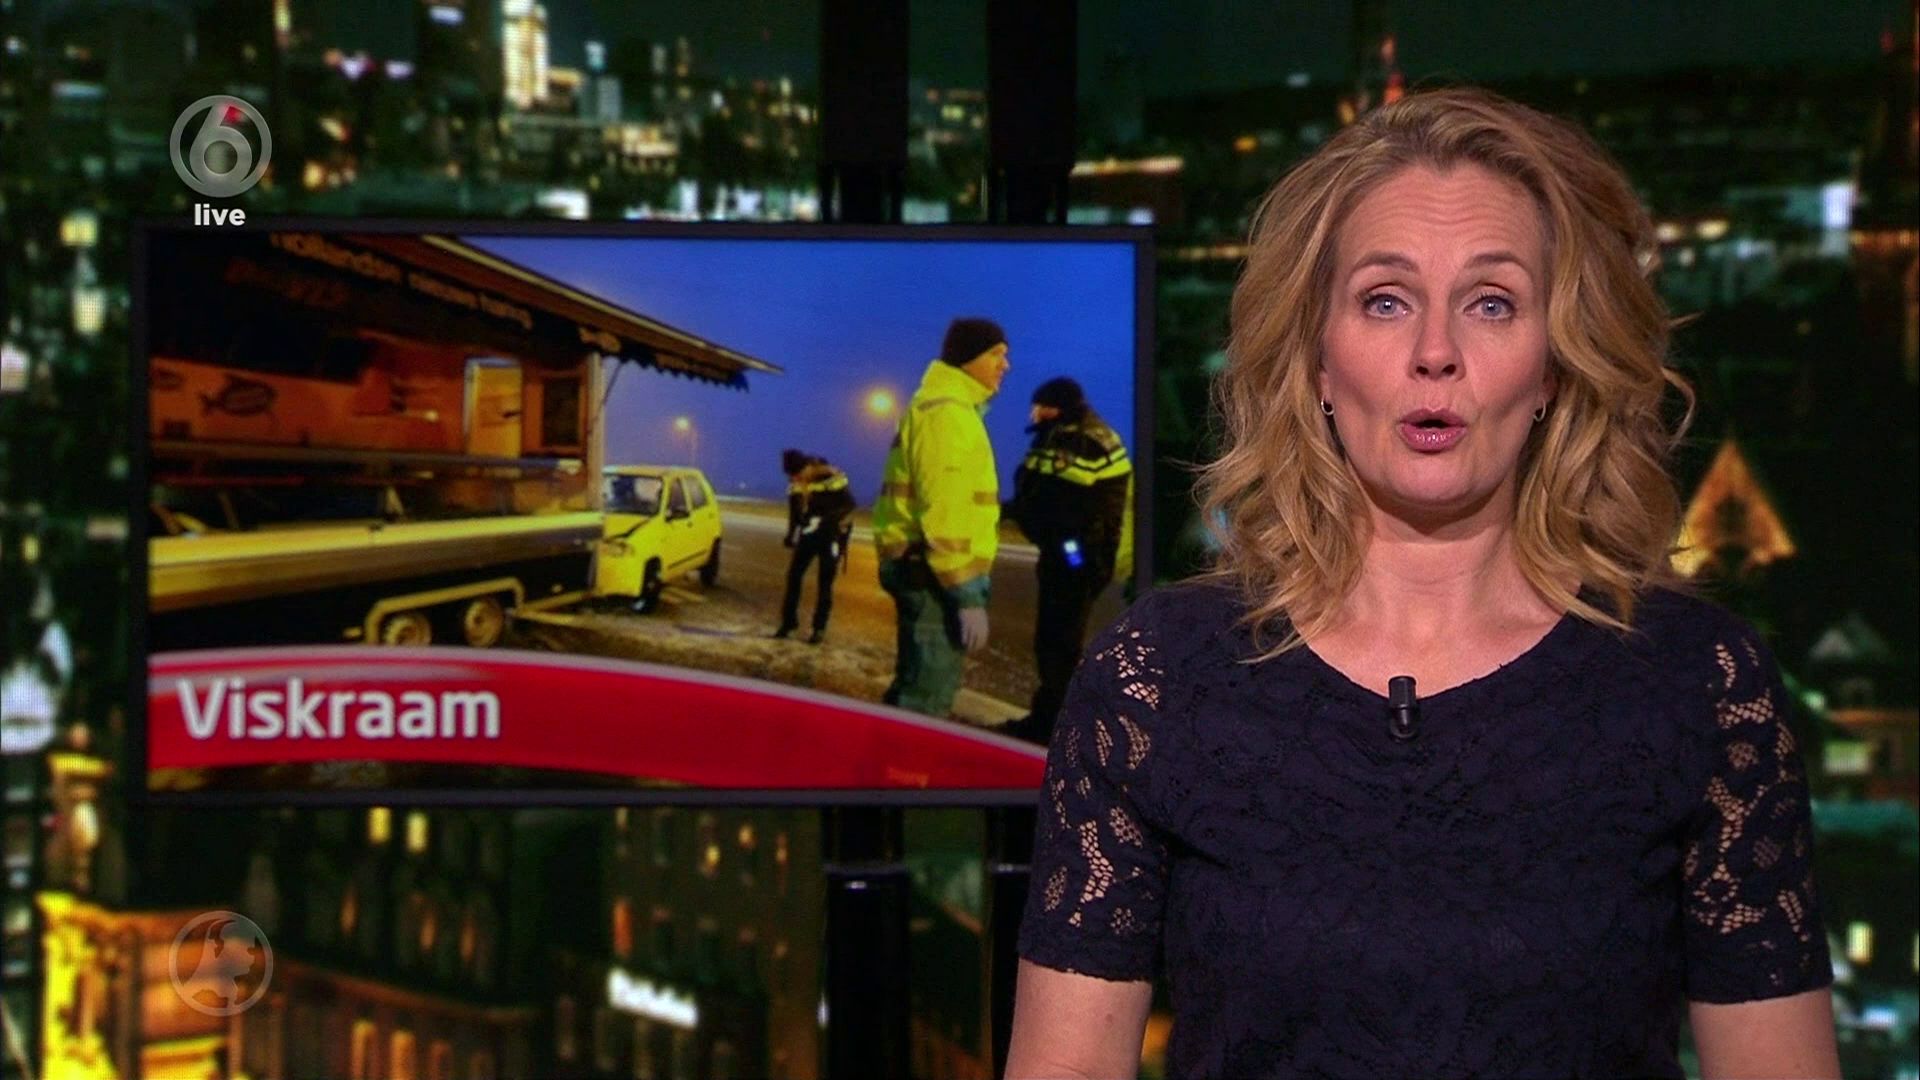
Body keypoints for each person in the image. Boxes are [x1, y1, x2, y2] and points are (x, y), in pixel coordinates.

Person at [1006, 88, 1839, 1080]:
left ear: (1553, 368)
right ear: (1317, 359)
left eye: (1492, 303)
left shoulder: (1697, 683)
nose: (1435, 353)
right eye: (1385, 300)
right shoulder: (1158, 679)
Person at [872, 317, 1009, 717]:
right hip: (933, 576)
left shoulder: (950, 408)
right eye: (996, 354)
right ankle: (905, 759)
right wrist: (966, 595)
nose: (1005, 365)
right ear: (969, 357)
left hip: (927, 570)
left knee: (915, 685)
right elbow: (944, 511)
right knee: (925, 699)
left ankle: (890, 751)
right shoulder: (947, 414)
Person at [1002, 377, 1133, 746]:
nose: (1034, 414)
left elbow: (1061, 504)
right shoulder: (1062, 435)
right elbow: (1040, 494)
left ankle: (1055, 730)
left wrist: (1024, 517)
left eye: (1040, 407)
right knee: (1054, 640)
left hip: (1076, 556)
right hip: (1065, 552)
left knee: (1060, 644)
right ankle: (1048, 719)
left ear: (1056, 408)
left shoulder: (1081, 441)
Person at [774, 448, 856, 645]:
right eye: (792, 476)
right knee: (794, 576)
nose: (796, 479)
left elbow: (849, 505)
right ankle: (788, 623)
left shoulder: (832, 477)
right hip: (809, 533)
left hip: (831, 534)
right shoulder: (796, 482)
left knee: (825, 582)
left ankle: (819, 628)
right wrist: (791, 534)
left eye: (798, 474)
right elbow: (794, 511)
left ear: (807, 468)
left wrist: (824, 521)